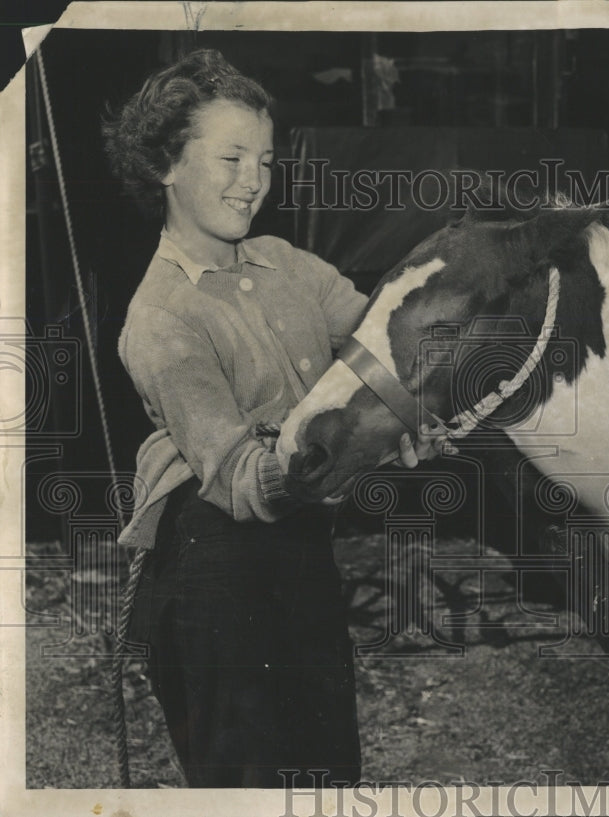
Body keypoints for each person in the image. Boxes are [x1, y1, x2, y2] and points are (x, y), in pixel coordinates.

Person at [104, 48, 444, 788]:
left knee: (328, 775)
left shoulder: (286, 265)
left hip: (299, 557)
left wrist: (427, 396)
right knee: (248, 785)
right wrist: (370, 440)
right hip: (209, 571)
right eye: (229, 158)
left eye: (263, 158)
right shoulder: (160, 317)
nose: (252, 180)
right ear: (166, 164)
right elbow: (245, 481)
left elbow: (388, 347)